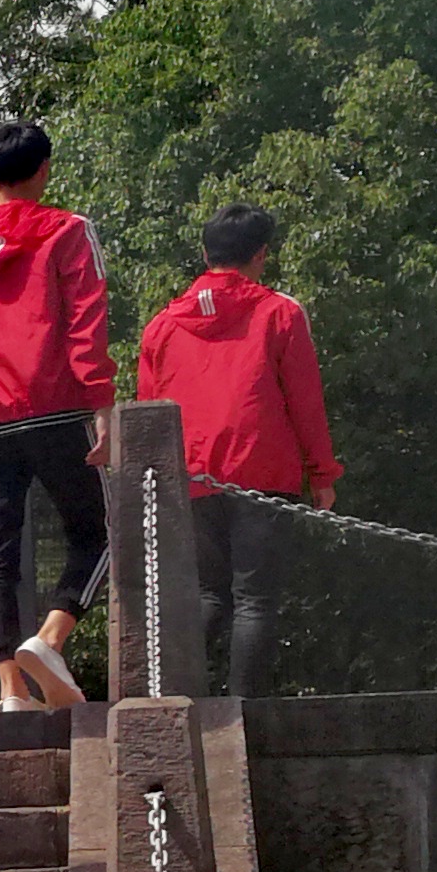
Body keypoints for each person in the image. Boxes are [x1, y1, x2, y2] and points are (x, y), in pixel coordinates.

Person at [137, 203, 340, 698]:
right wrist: (322, 474)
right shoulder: (280, 313)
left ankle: (168, 695)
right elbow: (305, 401)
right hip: (262, 472)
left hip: (190, 475)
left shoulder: (162, 326)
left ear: (205, 253)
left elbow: (147, 412)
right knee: (256, 600)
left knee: (208, 594)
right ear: (261, 254)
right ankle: (244, 712)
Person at [0, 121, 117, 710]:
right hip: (57, 408)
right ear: (45, 169)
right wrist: (101, 402)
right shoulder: (69, 231)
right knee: (103, 531)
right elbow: (86, 321)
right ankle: (50, 637)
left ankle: (10, 690)